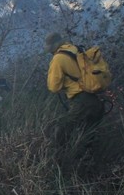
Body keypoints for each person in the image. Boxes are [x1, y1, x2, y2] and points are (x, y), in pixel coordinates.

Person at [44, 32, 105, 166]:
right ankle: (90, 167)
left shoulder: (58, 58)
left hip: (81, 102)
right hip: (95, 101)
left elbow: (54, 87)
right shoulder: (75, 49)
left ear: (54, 46)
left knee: (57, 130)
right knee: (87, 138)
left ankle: (59, 164)